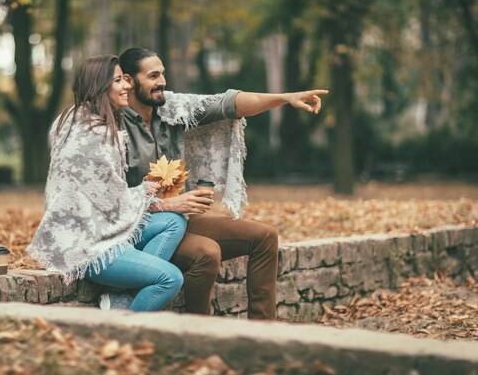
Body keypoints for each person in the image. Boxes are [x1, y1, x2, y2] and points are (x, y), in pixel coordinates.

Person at [118, 47, 329, 319]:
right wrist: (170, 204)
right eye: (153, 75)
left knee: (264, 237)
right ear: (129, 80)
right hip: (136, 228)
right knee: (207, 252)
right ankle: (199, 333)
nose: (162, 82)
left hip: (178, 218)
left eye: (163, 74)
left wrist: (285, 98)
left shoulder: (172, 108)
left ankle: (262, 334)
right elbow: (108, 198)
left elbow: (229, 103)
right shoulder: (112, 125)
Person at [26, 54, 187, 312]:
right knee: (170, 278)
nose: (127, 86)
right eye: (118, 81)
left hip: (99, 229)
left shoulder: (72, 120)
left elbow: (103, 194)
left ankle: (121, 296)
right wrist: (145, 192)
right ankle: (122, 334)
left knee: (174, 221)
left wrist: (142, 192)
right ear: (100, 87)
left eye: (125, 79)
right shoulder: (94, 136)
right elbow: (112, 204)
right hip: (88, 246)